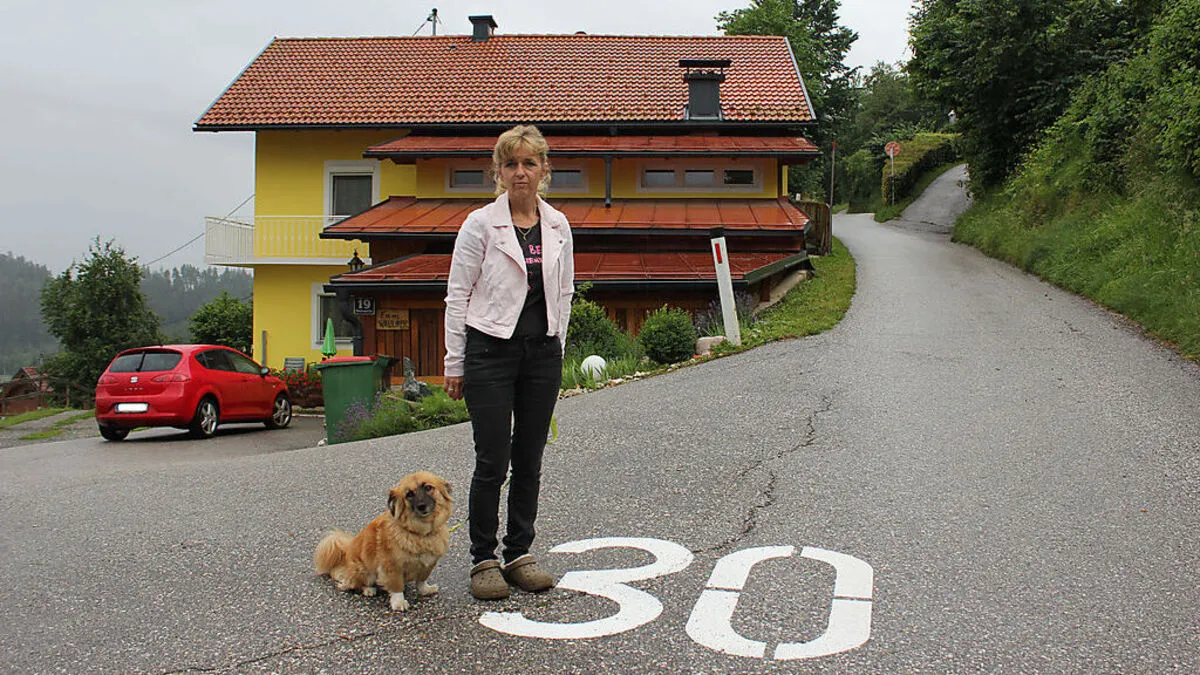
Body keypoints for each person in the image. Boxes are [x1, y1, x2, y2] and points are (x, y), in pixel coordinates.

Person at [443, 125, 574, 600]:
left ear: (544, 170)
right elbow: (458, 294)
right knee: (493, 458)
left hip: (541, 353)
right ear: (498, 172)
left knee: (530, 458)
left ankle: (520, 552)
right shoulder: (479, 224)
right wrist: (454, 363)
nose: (521, 172)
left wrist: (558, 343)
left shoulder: (558, 224)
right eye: (511, 164)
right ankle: (483, 560)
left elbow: (565, 292)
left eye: (529, 163)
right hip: (489, 351)